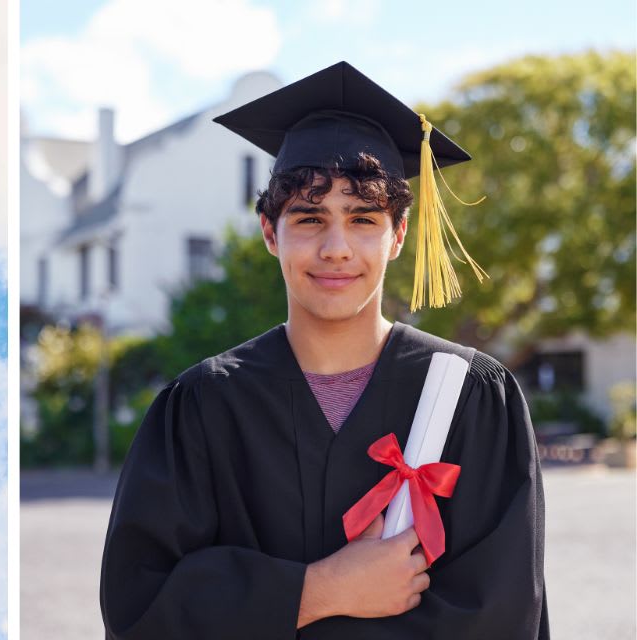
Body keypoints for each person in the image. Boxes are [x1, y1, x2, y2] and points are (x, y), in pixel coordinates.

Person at [99, 62, 549, 639]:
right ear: (269, 231)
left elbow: (502, 613)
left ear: (399, 235)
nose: (336, 248)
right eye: (310, 218)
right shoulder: (203, 405)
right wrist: (318, 591)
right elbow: (141, 607)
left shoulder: (474, 397)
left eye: (363, 219)